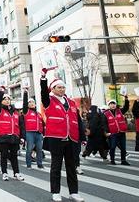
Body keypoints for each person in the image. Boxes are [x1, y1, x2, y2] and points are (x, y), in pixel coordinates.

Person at [41, 69, 85, 202]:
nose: (62, 89)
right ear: (52, 89)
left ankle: (74, 192)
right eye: (59, 87)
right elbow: (43, 91)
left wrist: (82, 137)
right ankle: (55, 192)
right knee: (56, 165)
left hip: (71, 137)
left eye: (63, 87)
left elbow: (77, 120)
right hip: (56, 138)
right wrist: (43, 78)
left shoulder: (71, 102)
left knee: (71, 166)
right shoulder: (48, 100)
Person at [0, 88, 25, 181]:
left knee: (14, 156)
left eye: (8, 99)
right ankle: (4, 173)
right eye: (4, 99)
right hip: (4, 137)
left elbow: (21, 126)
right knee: (4, 155)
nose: (7, 100)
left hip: (14, 137)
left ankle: (16, 173)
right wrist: (1, 92)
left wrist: (22, 137)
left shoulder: (16, 112)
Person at [104, 94, 130, 166]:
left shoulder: (120, 111)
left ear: (116, 105)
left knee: (123, 147)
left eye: (114, 104)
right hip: (112, 133)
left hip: (121, 132)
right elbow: (104, 124)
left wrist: (126, 99)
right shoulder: (106, 114)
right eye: (111, 104)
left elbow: (126, 107)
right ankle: (112, 160)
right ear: (109, 105)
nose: (113, 105)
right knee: (112, 147)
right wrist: (107, 132)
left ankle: (123, 160)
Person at [22, 89, 44, 169]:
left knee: (39, 149)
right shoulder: (26, 112)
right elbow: (24, 103)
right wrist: (25, 93)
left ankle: (40, 164)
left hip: (38, 133)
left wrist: (43, 134)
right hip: (29, 133)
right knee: (29, 149)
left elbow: (43, 124)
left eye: (33, 102)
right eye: (30, 102)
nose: (32, 103)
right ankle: (28, 164)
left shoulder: (39, 114)